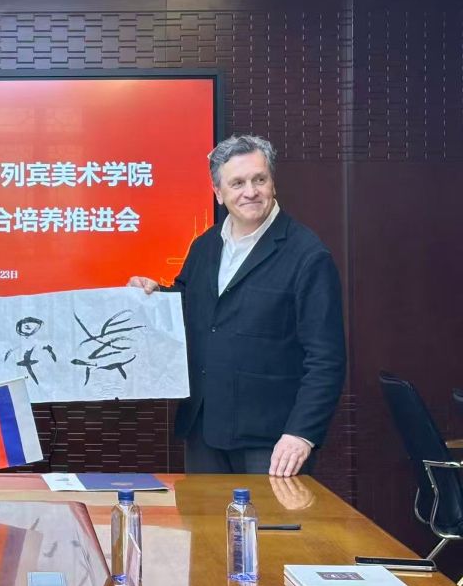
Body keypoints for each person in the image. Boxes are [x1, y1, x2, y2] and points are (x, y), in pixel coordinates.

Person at [129, 135, 345, 477]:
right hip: (203, 428)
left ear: (273, 183)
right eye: (238, 183)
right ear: (218, 192)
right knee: (205, 516)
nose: (251, 192)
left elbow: (326, 358)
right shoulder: (205, 246)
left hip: (273, 442)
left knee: (272, 517)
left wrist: (301, 434)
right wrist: (155, 296)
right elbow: (190, 309)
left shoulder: (307, 255)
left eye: (259, 179)